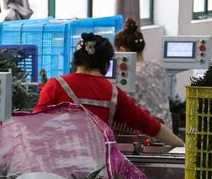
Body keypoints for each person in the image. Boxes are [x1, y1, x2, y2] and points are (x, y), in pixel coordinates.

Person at [34, 32, 183, 148]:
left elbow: (33, 126)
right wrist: (183, 146)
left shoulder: (55, 85)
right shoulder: (113, 93)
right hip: (98, 170)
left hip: (58, 168)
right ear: (107, 64)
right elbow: (151, 126)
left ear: (75, 61)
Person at [112, 17, 174, 134]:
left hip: (146, 134)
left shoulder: (129, 76)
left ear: (122, 51)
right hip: (167, 131)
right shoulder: (158, 66)